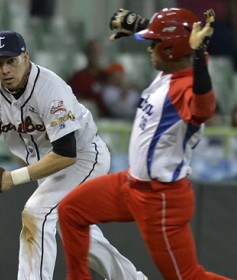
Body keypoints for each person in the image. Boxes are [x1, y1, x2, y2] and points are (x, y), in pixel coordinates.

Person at [58, 7, 232, 280]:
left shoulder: (188, 84)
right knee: (70, 211)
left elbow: (203, 108)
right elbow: (184, 43)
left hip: (161, 196)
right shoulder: (176, 68)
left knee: (187, 276)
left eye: (155, 43)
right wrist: (142, 25)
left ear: (172, 49)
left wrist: (195, 54)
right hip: (131, 184)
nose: (150, 49)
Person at [0, 30, 147, 280]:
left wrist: (13, 178)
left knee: (36, 212)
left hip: (82, 157)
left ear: (26, 57)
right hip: (46, 165)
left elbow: (66, 153)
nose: (5, 69)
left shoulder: (49, 88)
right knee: (76, 232)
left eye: (11, 60)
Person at [69, 39, 109, 118]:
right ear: (86, 54)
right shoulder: (78, 77)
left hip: (110, 118)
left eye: (98, 52)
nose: (95, 55)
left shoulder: (107, 76)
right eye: (92, 52)